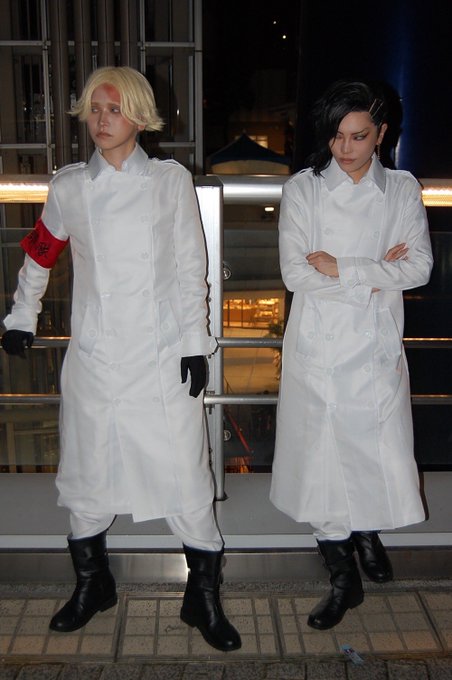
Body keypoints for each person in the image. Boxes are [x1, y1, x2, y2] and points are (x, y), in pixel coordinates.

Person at [1, 66, 241, 652]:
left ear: (138, 115)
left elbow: (191, 266)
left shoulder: (168, 180)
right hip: (96, 359)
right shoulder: (69, 187)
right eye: (93, 108)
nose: (101, 120)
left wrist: (196, 343)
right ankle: (93, 585)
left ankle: (202, 598)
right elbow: (40, 254)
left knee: (186, 476)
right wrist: (21, 316)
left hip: (162, 359)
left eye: (113, 109)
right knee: (88, 477)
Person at [270, 79, 433, 630]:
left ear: (381, 134)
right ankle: (343, 577)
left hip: (373, 347)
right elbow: (295, 274)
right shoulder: (304, 189)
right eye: (336, 136)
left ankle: (367, 531)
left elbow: (419, 268)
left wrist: (344, 267)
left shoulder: (402, 189)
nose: (344, 148)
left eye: (358, 136)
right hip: (316, 346)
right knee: (319, 464)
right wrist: (377, 274)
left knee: (373, 450)